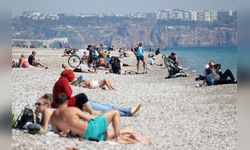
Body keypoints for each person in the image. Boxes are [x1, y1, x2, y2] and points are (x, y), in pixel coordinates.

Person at [51, 93, 151, 144]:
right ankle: (118, 138)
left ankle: (138, 140)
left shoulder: (53, 117)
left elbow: (56, 132)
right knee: (115, 113)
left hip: (86, 136)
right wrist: (97, 115)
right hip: (91, 128)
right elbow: (88, 118)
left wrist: (69, 129)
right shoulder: (71, 110)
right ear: (66, 101)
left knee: (126, 131)